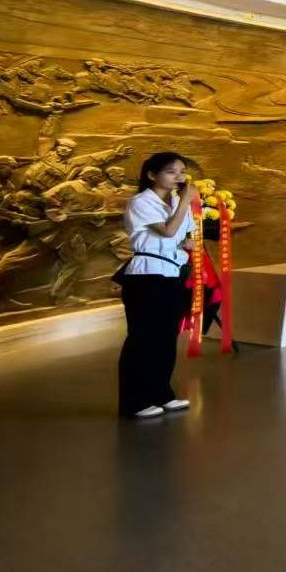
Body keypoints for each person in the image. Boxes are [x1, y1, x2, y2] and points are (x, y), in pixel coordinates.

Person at [117, 152, 197, 420]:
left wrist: (187, 243)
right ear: (152, 175)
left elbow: (180, 235)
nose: (179, 177)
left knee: (165, 337)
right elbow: (167, 230)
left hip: (172, 273)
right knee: (143, 339)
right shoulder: (141, 202)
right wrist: (185, 201)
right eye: (171, 172)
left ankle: (161, 394)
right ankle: (134, 402)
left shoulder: (175, 201)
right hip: (146, 275)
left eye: (182, 171)